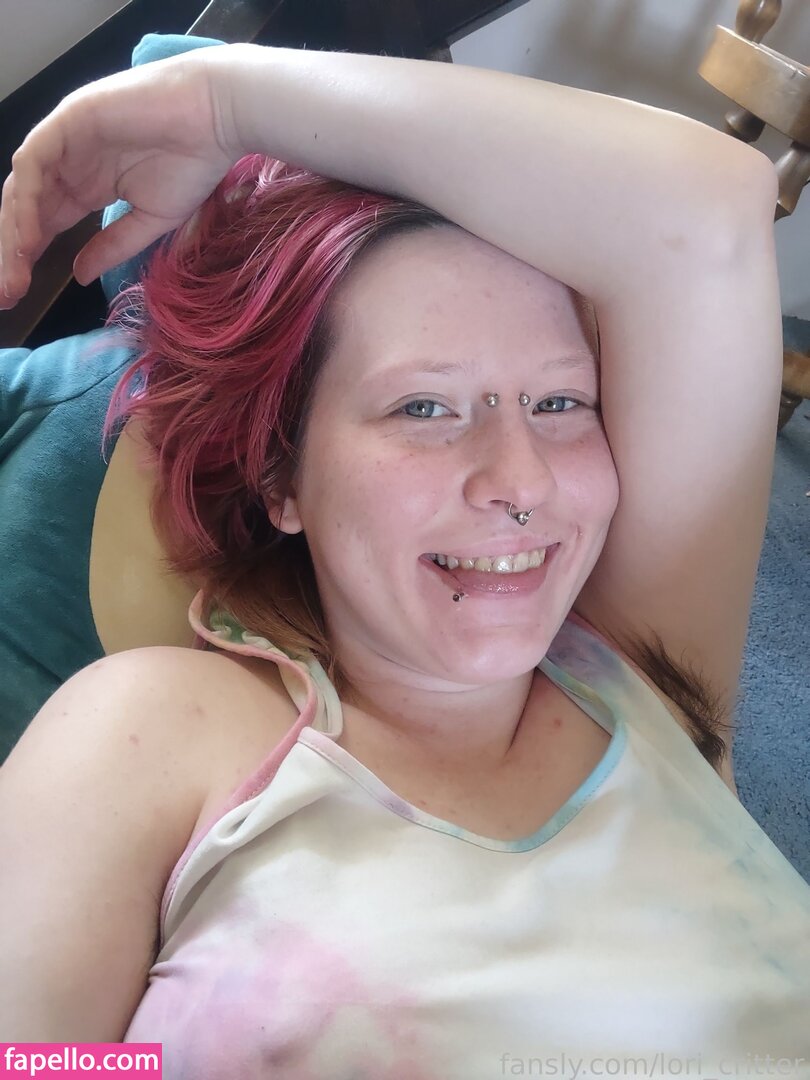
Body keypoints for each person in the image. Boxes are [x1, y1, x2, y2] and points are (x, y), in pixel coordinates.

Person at [1, 40, 808, 1076]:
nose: (521, 479)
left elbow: (711, 207)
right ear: (281, 477)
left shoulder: (645, 673)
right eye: (425, 408)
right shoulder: (157, 731)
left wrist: (223, 100)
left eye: (560, 400)